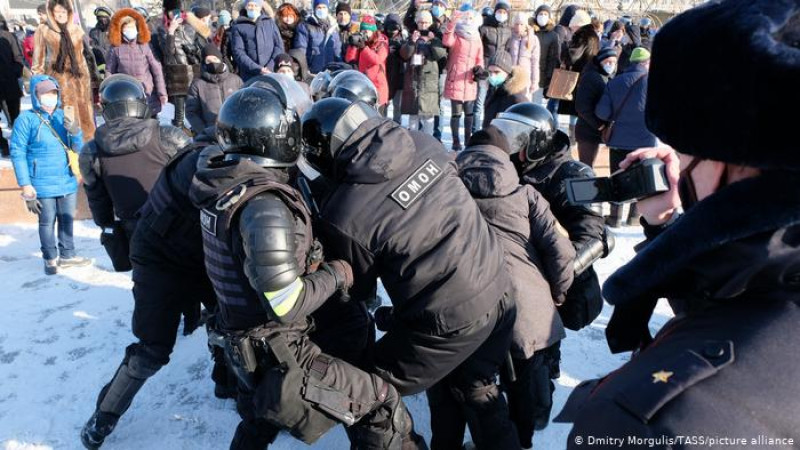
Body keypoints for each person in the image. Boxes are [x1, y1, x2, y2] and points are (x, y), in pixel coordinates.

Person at [557, 1, 800, 446]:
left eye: (686, 151)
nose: (676, 162)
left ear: (737, 164)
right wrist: (666, 224)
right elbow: (745, 309)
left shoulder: (641, 425)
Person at [189, 80, 425, 450]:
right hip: (282, 346)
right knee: (380, 402)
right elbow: (285, 304)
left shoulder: (223, 185)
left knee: (262, 416)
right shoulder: (264, 206)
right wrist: (337, 273)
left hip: (252, 343)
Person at [301, 98, 520, 450]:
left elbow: (359, 292)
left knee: (365, 388)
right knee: (473, 386)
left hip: (448, 319)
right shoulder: (425, 143)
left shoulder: (345, 213)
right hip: (498, 284)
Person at [457, 124, 575, 450]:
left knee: (477, 387)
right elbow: (560, 250)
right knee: (524, 383)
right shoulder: (526, 195)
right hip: (527, 310)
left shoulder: (448, 196)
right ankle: (522, 440)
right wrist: (559, 293)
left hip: (470, 308)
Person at [497, 102, 612, 338]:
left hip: (559, 293)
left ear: (537, 143)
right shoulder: (508, 171)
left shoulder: (576, 175)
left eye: (516, 139)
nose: (509, 146)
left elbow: (593, 237)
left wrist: (550, 278)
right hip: (510, 284)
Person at [78, 74, 182, 253]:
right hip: (175, 223)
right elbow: (193, 175)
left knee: (146, 275)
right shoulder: (167, 136)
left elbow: (97, 198)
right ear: (141, 103)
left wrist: (107, 225)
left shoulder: (91, 150)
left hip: (134, 229)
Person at [10, 75, 90, 275]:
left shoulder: (63, 115)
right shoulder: (26, 119)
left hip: (66, 178)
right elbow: (17, 153)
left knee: (66, 218)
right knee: (47, 221)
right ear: (36, 95)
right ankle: (49, 258)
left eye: (53, 93)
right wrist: (25, 185)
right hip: (41, 181)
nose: (50, 97)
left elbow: (77, 148)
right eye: (45, 93)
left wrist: (74, 131)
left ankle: (68, 254)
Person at [596, 47, 656, 228]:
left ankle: (614, 218)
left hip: (618, 140)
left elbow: (602, 111)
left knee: (617, 176)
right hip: (645, 141)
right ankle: (635, 216)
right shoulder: (654, 83)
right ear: (646, 62)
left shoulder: (615, 82)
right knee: (641, 178)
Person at [32, 0, 97, 140]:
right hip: (58, 84)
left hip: (80, 84)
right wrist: (40, 87)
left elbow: (82, 58)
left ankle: (88, 152)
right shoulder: (43, 31)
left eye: (64, 12)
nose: (61, 15)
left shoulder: (77, 30)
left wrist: (88, 81)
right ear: (51, 13)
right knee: (66, 123)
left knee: (87, 124)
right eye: (57, 12)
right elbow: (38, 63)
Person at [155, 1, 210, 129]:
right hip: (177, 76)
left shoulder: (190, 26)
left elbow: (203, 47)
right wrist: (171, 32)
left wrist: (194, 50)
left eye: (177, 12)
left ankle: (197, 134)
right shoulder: (163, 29)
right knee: (179, 114)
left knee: (196, 110)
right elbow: (168, 52)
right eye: (172, 12)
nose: (175, 15)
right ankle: (178, 137)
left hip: (194, 72)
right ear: (166, 12)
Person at [106, 8, 167, 118]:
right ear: (121, 30)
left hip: (148, 93)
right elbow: (109, 72)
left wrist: (162, 93)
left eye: (132, 27)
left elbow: (156, 70)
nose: (130, 30)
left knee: (151, 126)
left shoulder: (144, 45)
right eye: (126, 28)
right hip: (126, 94)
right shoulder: (115, 48)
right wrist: (105, 93)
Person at [441, 9, 482, 151]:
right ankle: (455, 141)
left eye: (471, 17)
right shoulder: (456, 34)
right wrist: (452, 22)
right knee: (456, 113)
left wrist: (479, 69)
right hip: (455, 78)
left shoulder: (477, 37)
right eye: (465, 17)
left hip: (470, 79)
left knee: (469, 113)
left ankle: (468, 140)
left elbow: (479, 57)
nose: (468, 20)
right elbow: (446, 41)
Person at [400, 10, 446, 135]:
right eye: (420, 22)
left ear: (430, 23)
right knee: (413, 117)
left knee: (428, 118)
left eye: (426, 22)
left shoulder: (435, 37)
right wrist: (411, 42)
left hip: (429, 82)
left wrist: (434, 41)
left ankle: (428, 143)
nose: (423, 25)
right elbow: (404, 54)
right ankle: (414, 143)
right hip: (413, 80)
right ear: (416, 22)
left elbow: (440, 55)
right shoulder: (411, 35)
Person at [186, 43, 243, 136]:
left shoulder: (236, 80)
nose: (213, 63)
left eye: (215, 59)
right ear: (204, 63)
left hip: (236, 131)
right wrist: (204, 131)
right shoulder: (197, 84)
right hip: (211, 134)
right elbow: (191, 112)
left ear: (220, 59)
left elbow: (244, 105)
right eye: (208, 60)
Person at [558, 15, 598, 145]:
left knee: (576, 108)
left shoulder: (582, 36)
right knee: (582, 107)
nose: (571, 29)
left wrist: (564, 49)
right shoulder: (593, 36)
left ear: (578, 25)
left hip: (578, 76)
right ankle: (577, 136)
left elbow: (573, 56)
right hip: (588, 74)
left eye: (572, 26)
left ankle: (573, 137)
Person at [574, 46, 616, 167]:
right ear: (600, 61)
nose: (611, 65)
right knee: (586, 166)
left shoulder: (608, 77)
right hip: (587, 130)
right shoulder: (591, 77)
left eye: (613, 62)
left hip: (598, 130)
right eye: (607, 62)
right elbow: (582, 106)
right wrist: (600, 125)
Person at [474, 0, 511, 134]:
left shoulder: (508, 31)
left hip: (500, 71)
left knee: (496, 104)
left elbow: (508, 51)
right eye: (499, 11)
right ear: (494, 12)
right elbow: (477, 49)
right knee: (480, 104)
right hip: (485, 70)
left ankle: (492, 131)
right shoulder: (484, 28)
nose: (501, 14)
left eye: (504, 12)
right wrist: (479, 67)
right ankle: (476, 132)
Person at [229, 0, 283, 81]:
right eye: (250, 5)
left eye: (256, 5)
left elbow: (279, 46)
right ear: (245, 7)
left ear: (260, 7)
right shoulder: (238, 26)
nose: (252, 8)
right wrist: (257, 68)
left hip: (272, 72)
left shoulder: (270, 22)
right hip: (249, 74)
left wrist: (270, 66)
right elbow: (238, 52)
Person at [345, 15, 390, 113]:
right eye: (363, 30)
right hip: (364, 85)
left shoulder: (382, 43)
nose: (364, 33)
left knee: (378, 120)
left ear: (373, 31)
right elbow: (349, 59)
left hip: (378, 88)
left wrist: (364, 47)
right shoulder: (363, 41)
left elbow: (377, 60)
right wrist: (353, 45)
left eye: (367, 31)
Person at [482, 50, 529, 128]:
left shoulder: (517, 98)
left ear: (507, 73)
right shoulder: (493, 90)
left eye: (497, 72)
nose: (492, 76)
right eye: (490, 72)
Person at [294, 0, 341, 75]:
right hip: (312, 73)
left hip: (330, 72)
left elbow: (337, 50)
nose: (321, 10)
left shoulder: (333, 27)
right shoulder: (306, 26)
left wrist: (339, 68)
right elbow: (301, 50)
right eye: (319, 7)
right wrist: (304, 70)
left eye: (324, 7)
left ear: (327, 8)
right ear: (314, 9)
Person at [0, 15, 24, 156]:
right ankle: (3, 145)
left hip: (10, 84)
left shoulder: (9, 36)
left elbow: (18, 57)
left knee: (15, 117)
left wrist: (15, 72)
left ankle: (17, 144)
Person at [507, 12, 539, 99]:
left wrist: (534, 81)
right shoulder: (509, 37)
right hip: (510, 76)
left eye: (521, 24)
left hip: (525, 78)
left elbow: (535, 62)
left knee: (524, 104)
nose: (519, 26)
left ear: (525, 25)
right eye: (516, 24)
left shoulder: (533, 39)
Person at [531, 4, 558, 104]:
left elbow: (554, 57)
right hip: (528, 72)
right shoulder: (530, 31)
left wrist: (549, 75)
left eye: (545, 14)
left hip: (542, 75)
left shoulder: (553, 35)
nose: (542, 16)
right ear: (536, 15)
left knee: (536, 104)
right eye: (540, 14)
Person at [383, 13, 405, 123]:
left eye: (395, 28)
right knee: (384, 104)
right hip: (384, 77)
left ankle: (397, 126)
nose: (392, 31)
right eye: (389, 27)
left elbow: (406, 56)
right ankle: (382, 126)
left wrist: (401, 49)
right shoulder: (381, 40)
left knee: (398, 106)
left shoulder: (403, 40)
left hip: (399, 78)